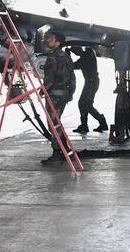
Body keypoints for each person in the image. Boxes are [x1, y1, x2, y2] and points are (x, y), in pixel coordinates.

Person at [40, 31, 76, 165]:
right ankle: (65, 149)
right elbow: (72, 77)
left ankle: (57, 154)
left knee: (53, 125)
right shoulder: (67, 57)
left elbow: (49, 78)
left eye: (51, 39)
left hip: (54, 94)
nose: (49, 40)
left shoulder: (52, 57)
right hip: (64, 94)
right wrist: (71, 93)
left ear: (58, 42)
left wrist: (43, 90)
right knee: (57, 122)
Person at [70, 46, 108, 134]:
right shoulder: (89, 53)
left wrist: (68, 56)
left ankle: (85, 125)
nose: (76, 54)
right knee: (87, 105)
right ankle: (100, 122)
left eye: (76, 51)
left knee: (83, 103)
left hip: (91, 82)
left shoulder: (87, 55)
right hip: (91, 82)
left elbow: (74, 66)